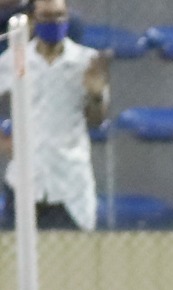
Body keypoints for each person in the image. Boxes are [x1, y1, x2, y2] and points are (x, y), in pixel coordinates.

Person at [0, 0, 107, 231]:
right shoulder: (16, 59)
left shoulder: (87, 61)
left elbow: (97, 120)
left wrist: (96, 95)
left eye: (59, 16)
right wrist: (3, 141)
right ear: (33, 20)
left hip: (69, 182)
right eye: (47, 17)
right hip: (24, 180)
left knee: (72, 259)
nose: (54, 23)